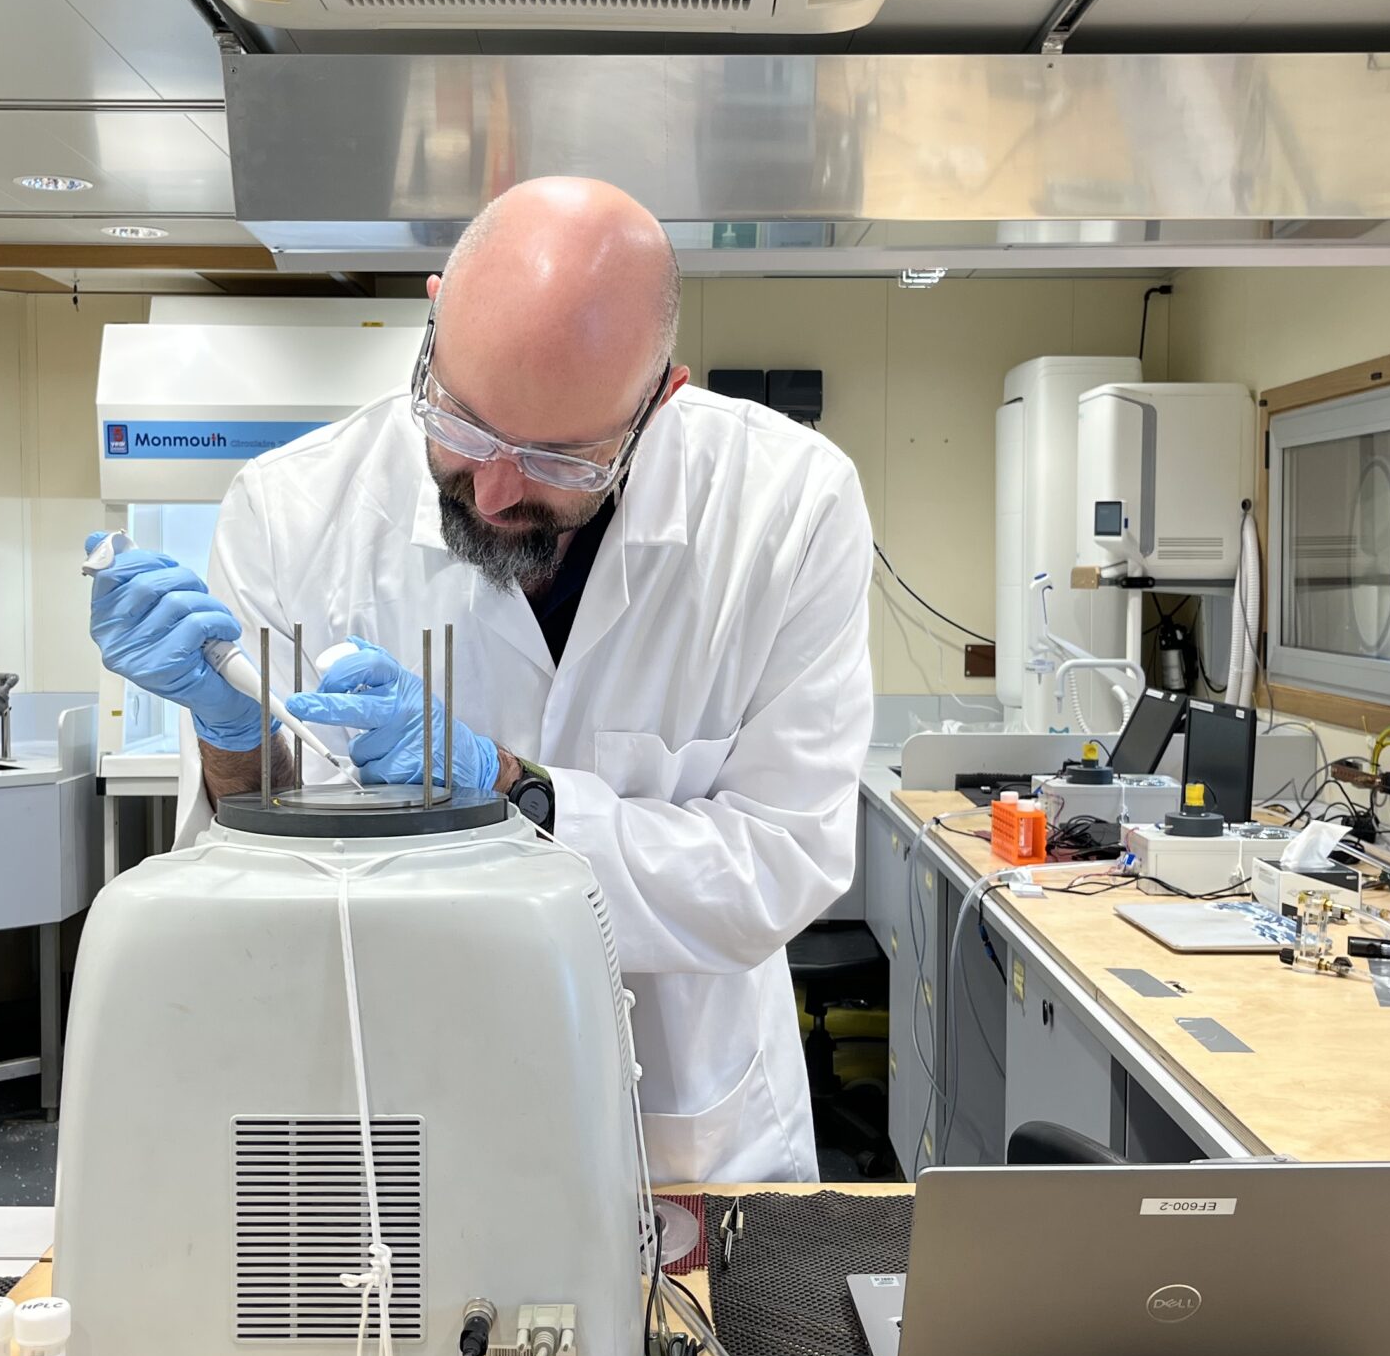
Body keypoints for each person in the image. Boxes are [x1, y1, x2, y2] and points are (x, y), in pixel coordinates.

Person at [87, 177, 873, 1183]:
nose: (497, 490)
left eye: (559, 459)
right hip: (392, 1094)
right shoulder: (291, 509)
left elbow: (778, 866)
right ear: (430, 321)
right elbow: (254, 873)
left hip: (681, 1122)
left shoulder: (786, 510)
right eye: (463, 426)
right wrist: (230, 740)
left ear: (658, 401)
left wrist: (510, 792)